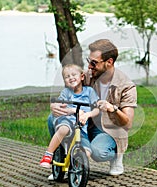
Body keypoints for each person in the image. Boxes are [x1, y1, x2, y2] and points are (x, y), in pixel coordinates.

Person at [48, 39, 137, 176]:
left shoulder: (126, 86)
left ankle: (116, 156)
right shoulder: (87, 75)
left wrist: (112, 108)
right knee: (52, 118)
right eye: (89, 61)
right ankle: (63, 158)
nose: (89, 66)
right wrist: (55, 104)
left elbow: (128, 123)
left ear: (109, 62)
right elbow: (68, 95)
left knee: (98, 153)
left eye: (94, 63)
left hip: (108, 130)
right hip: (86, 123)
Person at [40, 64, 99, 168]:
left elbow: (97, 109)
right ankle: (48, 155)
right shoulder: (66, 93)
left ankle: (76, 171)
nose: (71, 78)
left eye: (73, 75)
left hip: (81, 128)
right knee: (63, 129)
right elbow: (61, 108)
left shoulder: (89, 91)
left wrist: (87, 115)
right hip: (67, 121)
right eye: (67, 77)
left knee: (87, 152)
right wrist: (74, 110)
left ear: (81, 77)